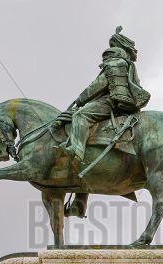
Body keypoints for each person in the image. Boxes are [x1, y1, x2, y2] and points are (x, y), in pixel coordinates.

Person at [56, 26, 150, 165]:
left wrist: (80, 100)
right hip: (125, 103)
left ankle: (77, 150)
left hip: (112, 102)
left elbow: (99, 85)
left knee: (80, 115)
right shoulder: (128, 64)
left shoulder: (115, 63)